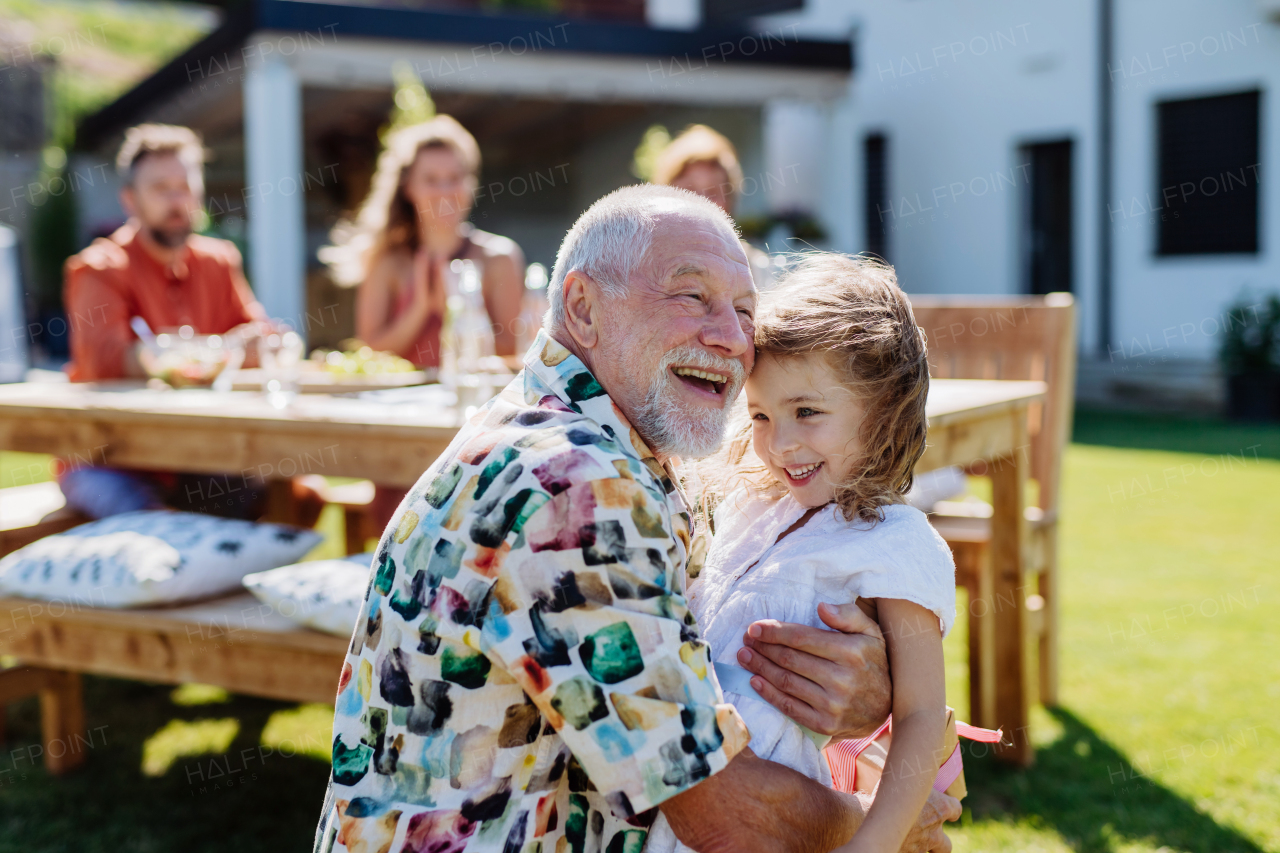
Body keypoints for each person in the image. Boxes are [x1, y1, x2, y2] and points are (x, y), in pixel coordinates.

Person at [313, 185, 959, 853]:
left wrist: (874, 686)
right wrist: (884, 820)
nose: (735, 339)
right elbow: (725, 814)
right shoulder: (575, 487)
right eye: (692, 297)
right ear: (583, 307)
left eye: (744, 310)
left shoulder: (595, 435)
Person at [647, 253, 956, 853]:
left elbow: (920, 718)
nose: (780, 443)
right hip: (689, 798)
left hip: (771, 816)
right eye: (761, 415)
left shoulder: (897, 542)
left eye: (807, 413)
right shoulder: (753, 510)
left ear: (882, 409)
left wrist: (871, 844)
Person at [59, 123, 319, 522]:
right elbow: (104, 361)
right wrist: (221, 350)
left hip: (199, 450)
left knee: (301, 494)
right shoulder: (99, 269)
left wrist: (258, 345)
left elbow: (263, 339)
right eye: (161, 188)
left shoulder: (218, 260)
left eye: (185, 186)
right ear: (130, 199)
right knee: (156, 530)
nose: (177, 200)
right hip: (109, 458)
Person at [325, 115, 525, 369]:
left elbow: (516, 352)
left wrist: (453, 314)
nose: (444, 191)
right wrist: (420, 308)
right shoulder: (385, 261)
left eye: (454, 178)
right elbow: (369, 356)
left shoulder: (500, 258)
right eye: (431, 180)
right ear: (408, 187)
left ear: (471, 183)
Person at [652, 124, 775, 289]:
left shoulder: (756, 269)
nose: (702, 202)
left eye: (713, 193)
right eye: (689, 190)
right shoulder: (646, 266)